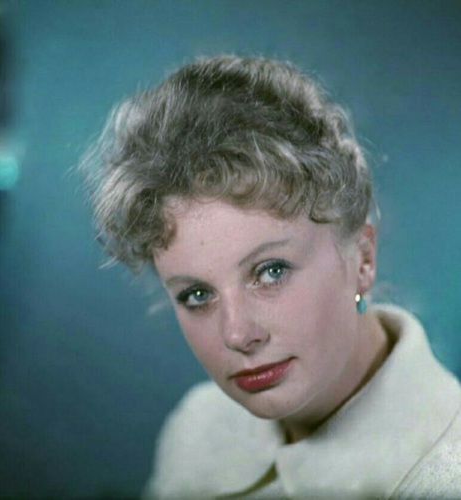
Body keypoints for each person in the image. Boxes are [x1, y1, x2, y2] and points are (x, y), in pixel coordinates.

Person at [83, 56, 461, 497]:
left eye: (271, 271)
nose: (238, 334)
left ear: (363, 258)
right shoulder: (197, 429)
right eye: (197, 294)